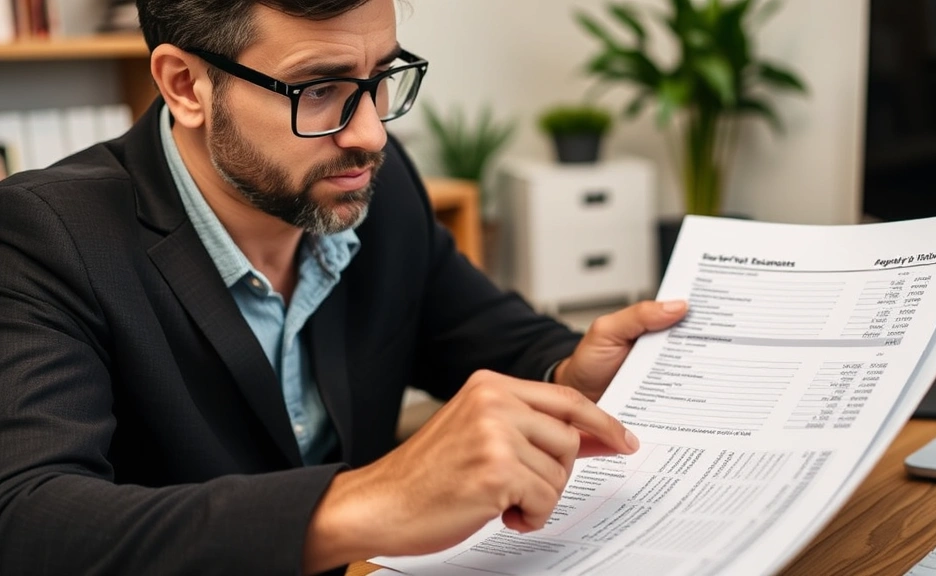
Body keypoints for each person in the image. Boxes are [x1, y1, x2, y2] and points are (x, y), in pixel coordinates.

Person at [0, 0, 688, 574]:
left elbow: (480, 331)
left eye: (380, 77)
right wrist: (372, 500)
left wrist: (571, 373)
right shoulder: (45, 235)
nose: (371, 133)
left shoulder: (361, 182)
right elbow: (26, 518)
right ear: (185, 86)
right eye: (320, 89)